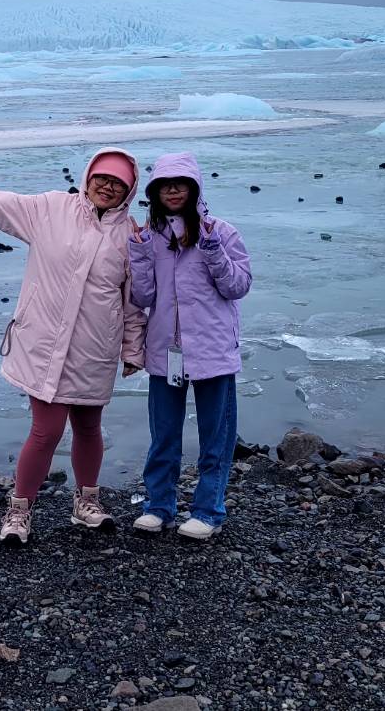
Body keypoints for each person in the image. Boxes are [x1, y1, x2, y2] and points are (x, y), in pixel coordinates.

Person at [0, 148, 146, 544]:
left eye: (117, 184)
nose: (107, 187)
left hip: (94, 347)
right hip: (44, 341)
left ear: (128, 191)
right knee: (46, 430)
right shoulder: (49, 209)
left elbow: (131, 300)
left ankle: (87, 504)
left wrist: (133, 350)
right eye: (102, 178)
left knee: (88, 427)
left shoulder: (130, 237)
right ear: (89, 177)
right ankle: (19, 511)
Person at [127, 152, 252, 540]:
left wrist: (211, 248)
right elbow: (143, 297)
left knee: (216, 437)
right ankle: (158, 507)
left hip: (213, 352)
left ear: (195, 189)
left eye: (181, 183)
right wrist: (139, 253)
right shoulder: (151, 238)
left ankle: (208, 511)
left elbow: (237, 287)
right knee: (164, 434)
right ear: (154, 193)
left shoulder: (222, 232)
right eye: (165, 185)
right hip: (167, 352)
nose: (173, 190)